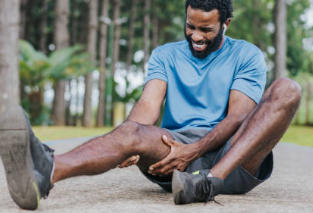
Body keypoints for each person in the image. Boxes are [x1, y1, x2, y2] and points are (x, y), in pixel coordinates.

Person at [0, 0, 301, 210]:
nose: (196, 36)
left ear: (226, 24)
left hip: (233, 155)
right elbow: (148, 104)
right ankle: (46, 171)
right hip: (175, 155)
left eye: (206, 30)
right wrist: (131, 137)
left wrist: (195, 150)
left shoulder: (246, 55)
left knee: (288, 88)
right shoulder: (165, 55)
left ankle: (210, 182)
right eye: (190, 26)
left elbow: (238, 116)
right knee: (131, 133)